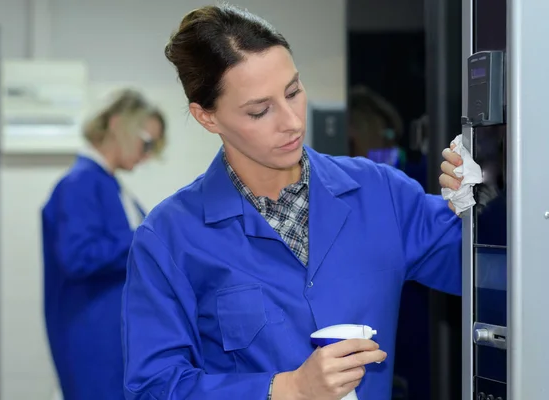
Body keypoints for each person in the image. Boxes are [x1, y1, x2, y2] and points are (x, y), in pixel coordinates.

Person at [122, 5, 462, 400]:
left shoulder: (380, 193)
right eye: (260, 110)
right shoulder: (169, 238)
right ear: (207, 117)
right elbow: (153, 387)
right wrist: (285, 389)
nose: (292, 122)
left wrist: (485, 196)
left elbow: (496, 277)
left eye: (293, 91)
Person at [41, 88, 166, 399]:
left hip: (115, 341)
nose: (147, 155)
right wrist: (145, 234)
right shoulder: (80, 184)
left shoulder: (110, 186)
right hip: (93, 342)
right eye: (146, 142)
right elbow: (78, 257)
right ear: (117, 124)